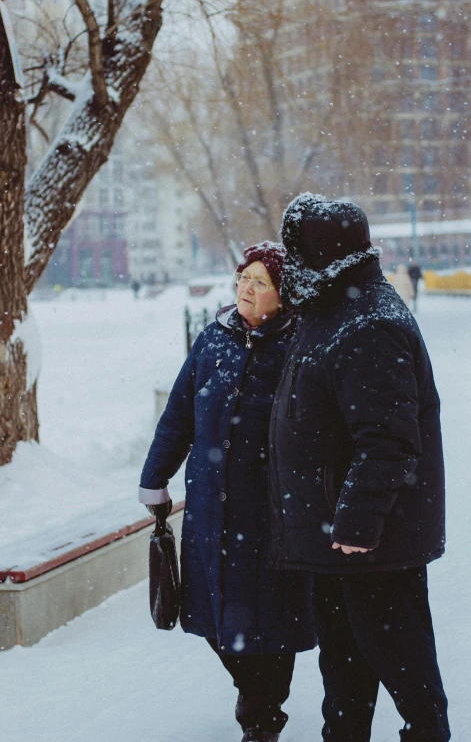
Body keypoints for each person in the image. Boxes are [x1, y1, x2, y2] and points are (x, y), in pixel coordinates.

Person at [268, 193, 450, 742]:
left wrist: (355, 523)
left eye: (296, 249)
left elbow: (389, 440)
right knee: (344, 670)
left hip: (369, 542)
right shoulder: (331, 310)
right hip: (338, 538)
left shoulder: (367, 321)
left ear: (323, 250)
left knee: (402, 664)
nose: (290, 261)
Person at [139, 241, 315, 742]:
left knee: (273, 623)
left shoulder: (300, 344)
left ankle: (262, 717)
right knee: (218, 620)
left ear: (283, 295)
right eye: (242, 278)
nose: (246, 288)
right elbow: (178, 415)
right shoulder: (212, 339)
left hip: (271, 514)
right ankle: (255, 695)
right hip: (210, 508)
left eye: (259, 282)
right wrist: (155, 478)